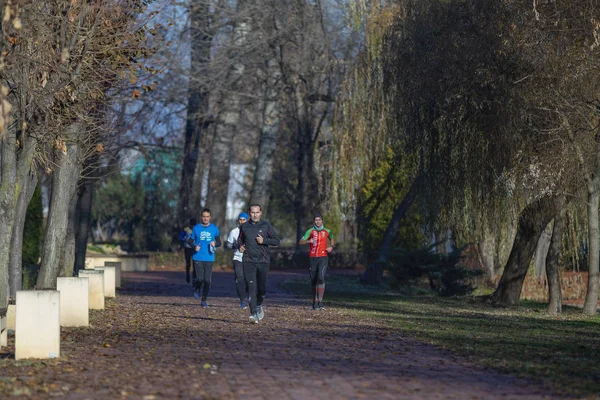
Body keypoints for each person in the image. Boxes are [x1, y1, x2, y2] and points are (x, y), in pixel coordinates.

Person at [238, 204, 280, 323]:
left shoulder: (266, 225)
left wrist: (264, 241)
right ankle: (254, 314)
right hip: (248, 261)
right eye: (252, 212)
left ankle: (259, 304)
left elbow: (276, 241)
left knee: (261, 289)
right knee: (251, 286)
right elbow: (240, 241)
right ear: (249, 213)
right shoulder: (244, 226)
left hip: (263, 261)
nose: (255, 215)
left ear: (261, 213)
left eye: (257, 212)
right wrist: (240, 247)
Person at [298, 212, 334, 310]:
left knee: (321, 278)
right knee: (314, 281)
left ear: (322, 220)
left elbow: (332, 238)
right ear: (314, 221)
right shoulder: (310, 231)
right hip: (312, 258)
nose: (317, 222)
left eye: (319, 220)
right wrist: (308, 241)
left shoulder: (327, 231)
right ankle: (315, 301)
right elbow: (301, 242)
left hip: (323, 258)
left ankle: (321, 301)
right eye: (316, 220)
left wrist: (331, 246)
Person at [189, 208, 221, 308]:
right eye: (204, 216)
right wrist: (195, 247)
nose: (205, 218)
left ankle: (204, 300)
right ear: (201, 217)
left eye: (207, 217)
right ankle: (196, 286)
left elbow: (219, 242)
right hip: (197, 257)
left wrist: (215, 243)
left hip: (209, 257)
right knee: (200, 278)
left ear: (210, 217)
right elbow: (190, 241)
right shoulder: (196, 228)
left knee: (207, 281)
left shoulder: (214, 228)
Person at [226, 212, 249, 309]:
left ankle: (250, 297)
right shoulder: (234, 231)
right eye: (240, 219)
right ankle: (242, 301)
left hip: (250, 259)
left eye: (244, 220)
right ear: (238, 220)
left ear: (247, 220)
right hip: (237, 258)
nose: (242, 221)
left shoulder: (252, 231)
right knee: (239, 279)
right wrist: (237, 246)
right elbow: (228, 245)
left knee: (249, 280)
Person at [179, 218, 197, 283]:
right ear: (190, 224)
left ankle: (194, 277)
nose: (193, 226)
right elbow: (181, 237)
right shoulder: (186, 230)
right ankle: (187, 276)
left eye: (194, 225)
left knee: (195, 263)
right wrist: (185, 238)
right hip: (187, 248)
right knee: (188, 263)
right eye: (192, 225)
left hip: (194, 248)